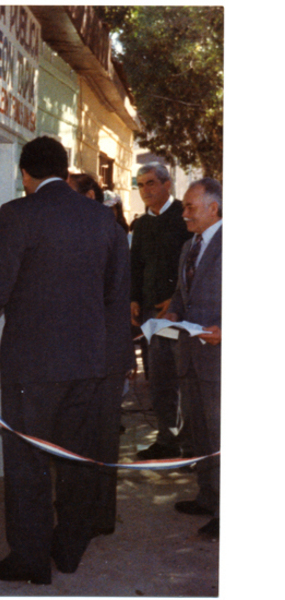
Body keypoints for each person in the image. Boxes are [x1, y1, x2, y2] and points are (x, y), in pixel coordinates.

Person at [0, 136, 133, 584]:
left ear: (25, 174)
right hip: (89, 364)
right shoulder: (102, 218)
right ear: (67, 169)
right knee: (75, 458)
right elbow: (115, 295)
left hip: (32, 368)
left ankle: (31, 561)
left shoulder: (17, 213)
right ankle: (69, 550)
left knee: (28, 461)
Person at [166, 178, 222, 540]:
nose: (184, 213)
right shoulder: (190, 245)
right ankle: (208, 496)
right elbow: (181, 293)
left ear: (213, 208)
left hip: (220, 359)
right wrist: (171, 313)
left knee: (221, 435)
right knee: (200, 434)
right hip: (189, 357)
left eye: (190, 207)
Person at [130, 162, 193, 460]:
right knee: (157, 379)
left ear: (167, 184)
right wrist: (133, 299)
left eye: (151, 183)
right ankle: (167, 438)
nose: (145, 190)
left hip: (179, 316)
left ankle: (189, 446)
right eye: (141, 185)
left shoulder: (185, 217)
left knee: (183, 380)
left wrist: (176, 299)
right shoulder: (141, 225)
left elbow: (196, 266)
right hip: (150, 317)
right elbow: (136, 266)